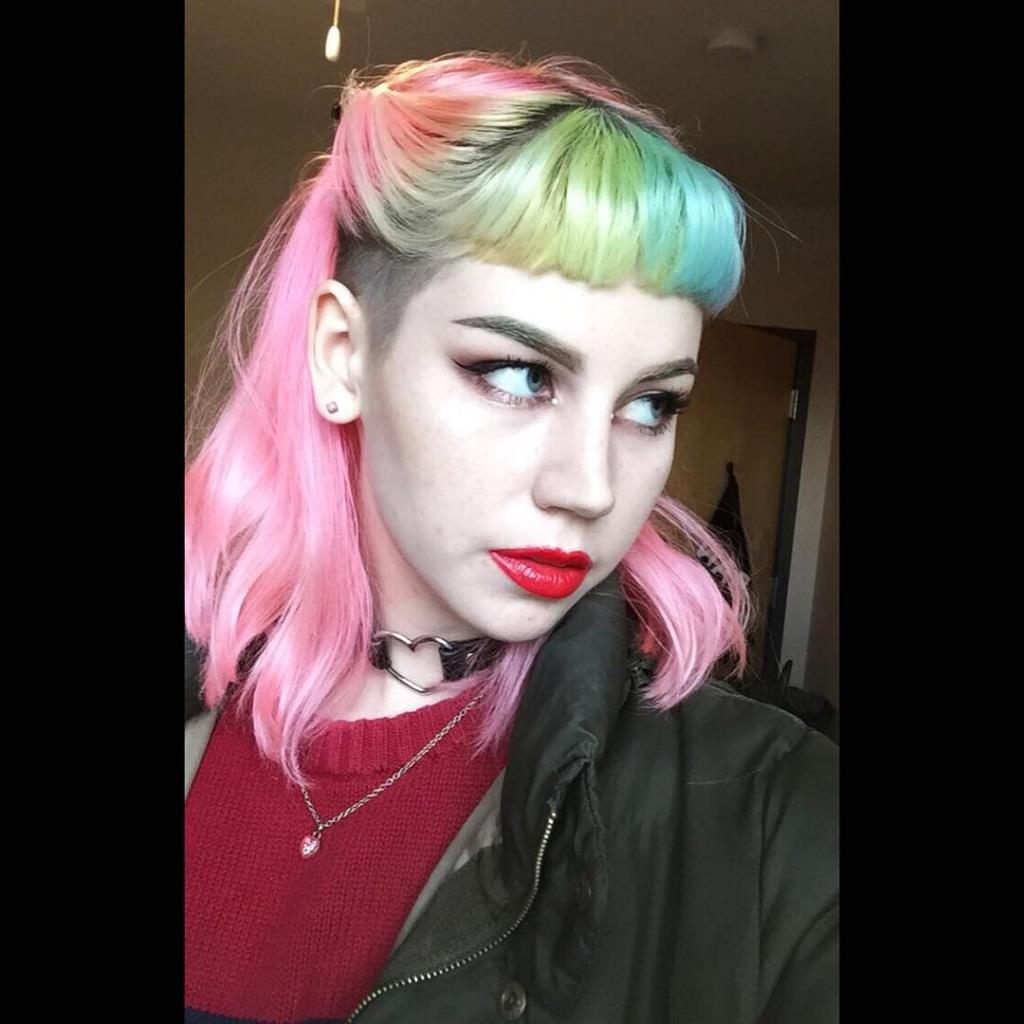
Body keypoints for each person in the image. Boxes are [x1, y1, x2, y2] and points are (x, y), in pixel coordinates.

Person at [185, 52, 838, 1023]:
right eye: (520, 375)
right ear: (342, 356)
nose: (590, 487)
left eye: (652, 404)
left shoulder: (772, 810)